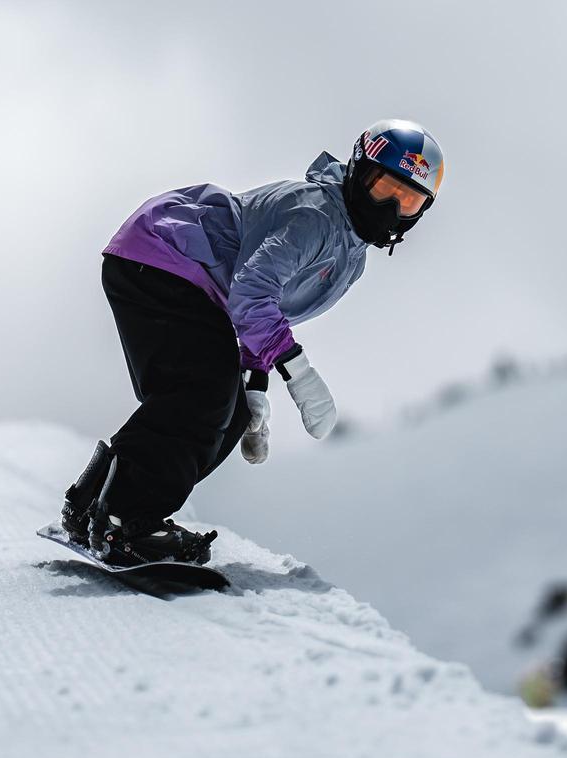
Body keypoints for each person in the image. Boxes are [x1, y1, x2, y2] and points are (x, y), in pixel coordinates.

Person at [59, 120, 446, 566]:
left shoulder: (349, 250)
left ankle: (96, 504)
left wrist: (255, 381)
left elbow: (253, 310)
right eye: (384, 189)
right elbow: (250, 293)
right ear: (360, 173)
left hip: (182, 276)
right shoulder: (317, 215)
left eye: (409, 200)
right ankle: (127, 520)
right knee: (199, 391)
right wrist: (297, 372)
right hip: (166, 255)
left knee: (226, 408)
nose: (392, 209)